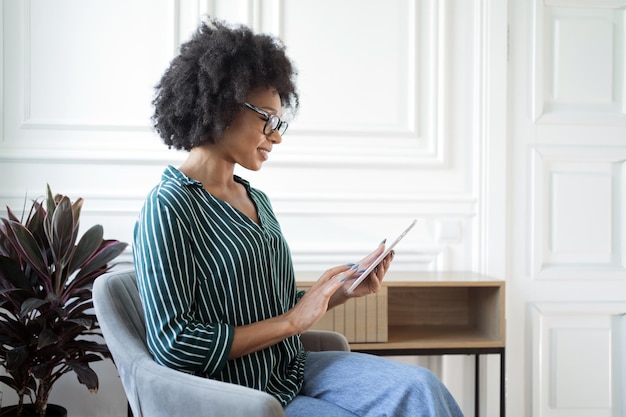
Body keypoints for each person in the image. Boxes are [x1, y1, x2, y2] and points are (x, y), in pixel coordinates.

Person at [133, 17, 465, 417]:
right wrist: (293, 322)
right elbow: (176, 343)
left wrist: (336, 291)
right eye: (266, 119)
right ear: (222, 106)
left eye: (280, 122)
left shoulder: (255, 198)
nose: (276, 136)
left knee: (421, 387)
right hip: (234, 393)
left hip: (290, 369)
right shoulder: (168, 206)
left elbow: (263, 305)